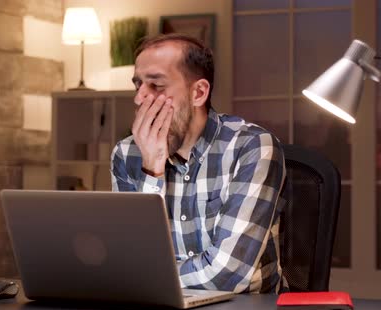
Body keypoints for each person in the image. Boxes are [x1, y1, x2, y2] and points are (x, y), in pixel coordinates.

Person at [110, 34, 286, 294]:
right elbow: (127, 261)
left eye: (156, 85)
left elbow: (227, 275)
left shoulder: (251, 148)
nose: (139, 99)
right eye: (138, 85)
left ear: (199, 93)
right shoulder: (126, 154)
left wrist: (146, 276)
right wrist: (152, 168)